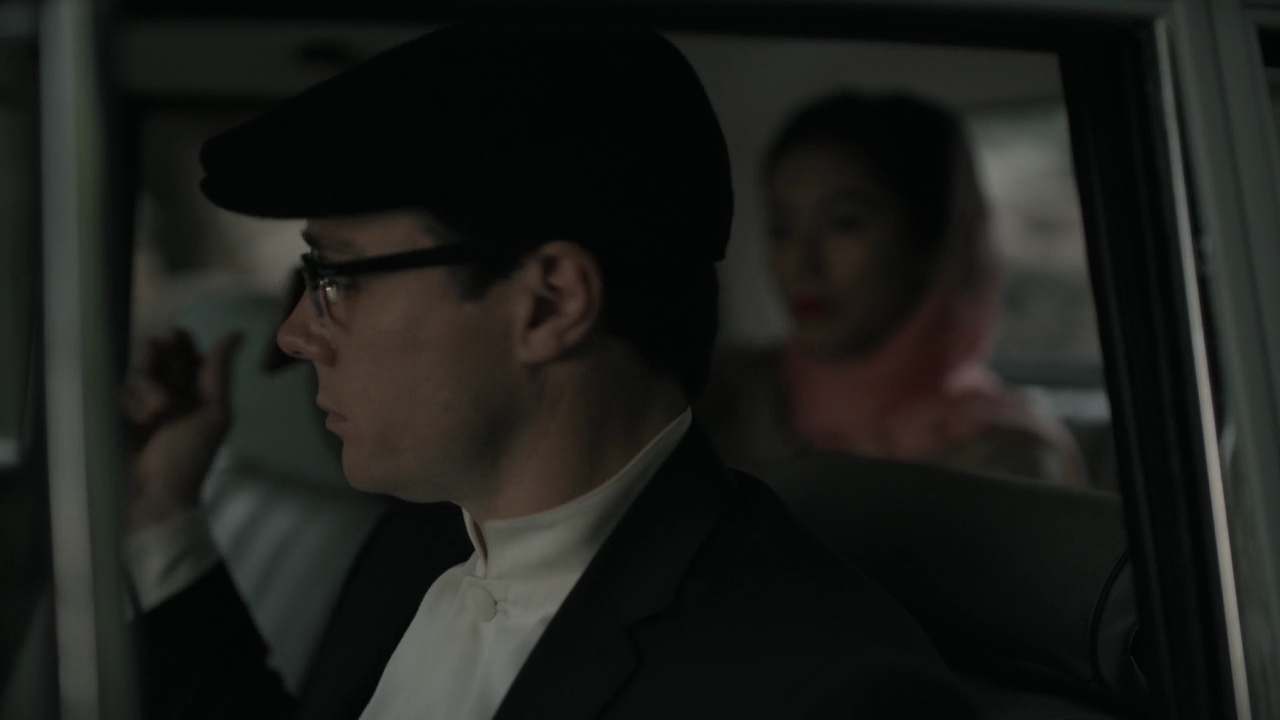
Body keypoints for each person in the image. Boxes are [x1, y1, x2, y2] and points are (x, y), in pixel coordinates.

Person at [122, 25, 975, 720]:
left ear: (549, 302)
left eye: (336, 276)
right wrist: (163, 514)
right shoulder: (415, 542)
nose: (295, 334)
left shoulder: (827, 692)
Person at [699, 93, 1087, 486]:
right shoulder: (715, 393)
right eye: (781, 229)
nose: (802, 265)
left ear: (926, 241)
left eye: (843, 223)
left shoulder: (1009, 460)